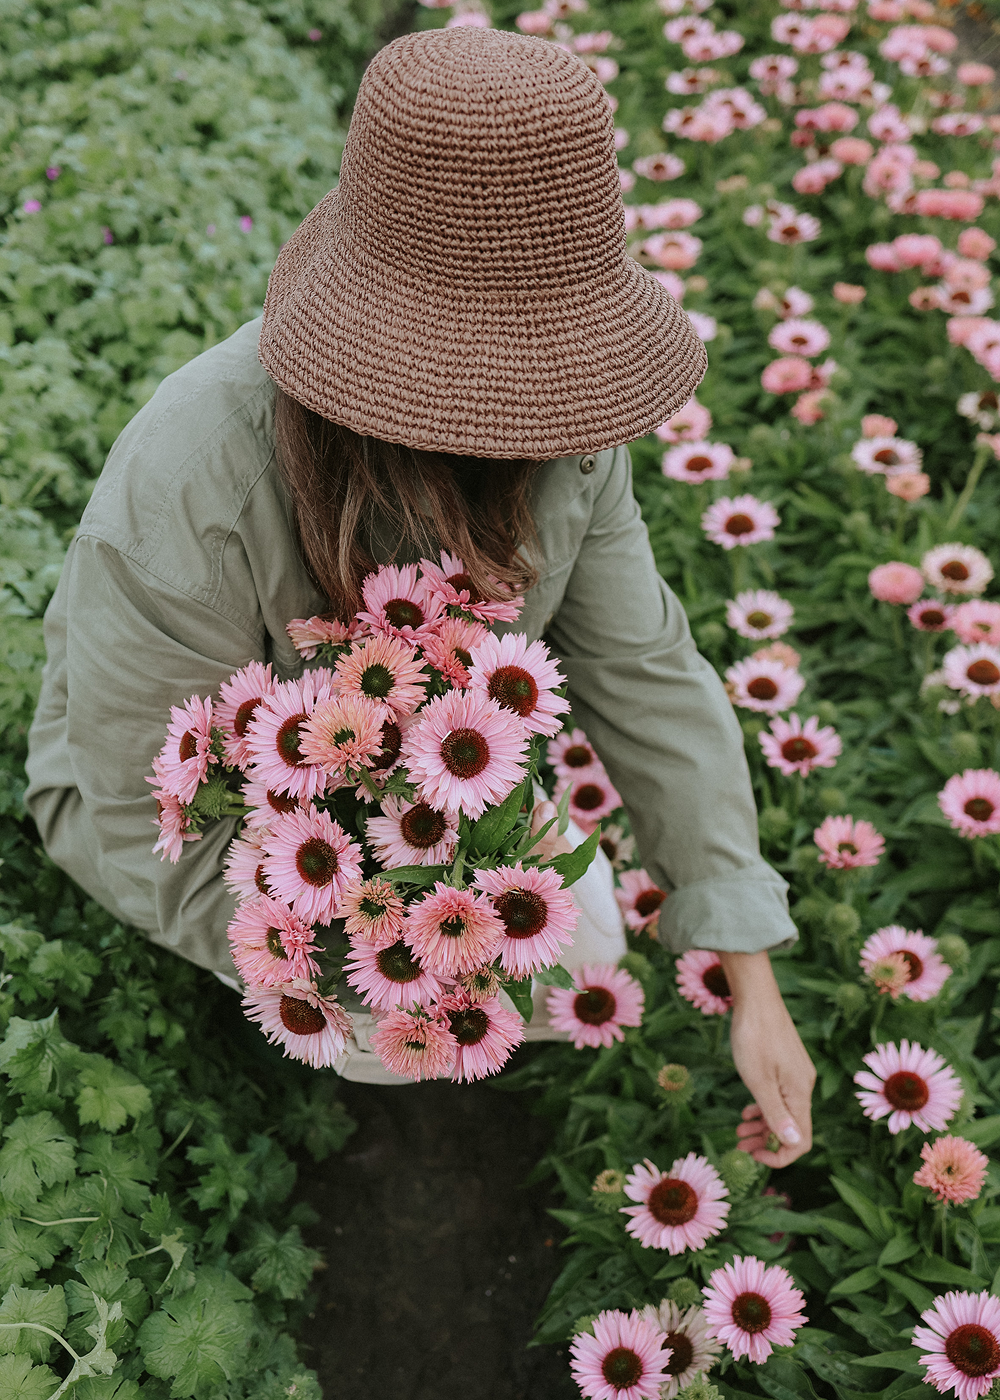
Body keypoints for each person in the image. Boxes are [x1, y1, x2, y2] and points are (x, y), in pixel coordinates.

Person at [24, 25, 814, 1157]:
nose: (533, 420)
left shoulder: (568, 443)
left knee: (576, 954)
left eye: (549, 375)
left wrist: (749, 965)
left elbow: (643, 668)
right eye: (504, 383)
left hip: (438, 782)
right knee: (393, 1032)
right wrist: (369, 964)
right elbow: (132, 802)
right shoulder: (192, 487)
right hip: (228, 826)